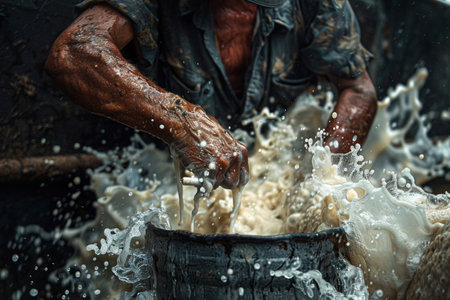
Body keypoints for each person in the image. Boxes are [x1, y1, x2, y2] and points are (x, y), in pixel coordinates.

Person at [45, 0, 377, 193]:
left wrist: (320, 182)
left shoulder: (315, 4)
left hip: (277, 168)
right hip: (167, 174)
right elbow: (73, 53)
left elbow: (358, 90)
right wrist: (182, 123)